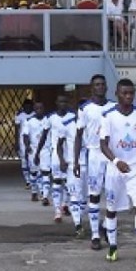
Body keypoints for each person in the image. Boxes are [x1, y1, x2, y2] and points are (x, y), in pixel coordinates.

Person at [99, 78, 136, 266]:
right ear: (117, 94)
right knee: (112, 209)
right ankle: (113, 247)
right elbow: (103, 144)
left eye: (131, 93)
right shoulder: (108, 116)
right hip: (115, 169)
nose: (129, 96)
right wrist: (116, 160)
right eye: (125, 93)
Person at [74, 74, 116, 250]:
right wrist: (75, 160)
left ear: (106, 87)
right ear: (92, 88)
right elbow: (78, 136)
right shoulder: (85, 109)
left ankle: (106, 225)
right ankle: (95, 235)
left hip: (111, 154)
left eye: (102, 84)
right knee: (94, 195)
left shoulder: (114, 107)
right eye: (96, 85)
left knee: (114, 195)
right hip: (94, 154)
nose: (100, 87)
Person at [41, 94, 75, 223]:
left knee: (68, 182)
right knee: (56, 181)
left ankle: (65, 204)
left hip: (70, 155)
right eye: (61, 102)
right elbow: (44, 135)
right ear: (56, 102)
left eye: (65, 102)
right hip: (56, 154)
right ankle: (57, 211)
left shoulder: (72, 117)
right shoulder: (51, 118)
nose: (63, 104)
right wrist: (39, 151)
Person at [58, 98, 86, 237]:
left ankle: (82, 219)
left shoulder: (94, 124)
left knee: (85, 198)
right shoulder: (67, 125)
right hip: (73, 166)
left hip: (89, 166)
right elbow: (59, 144)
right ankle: (78, 224)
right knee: (75, 194)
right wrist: (62, 160)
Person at [24, 101, 50, 204]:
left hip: (45, 149)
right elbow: (25, 135)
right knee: (34, 172)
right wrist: (27, 146)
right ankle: (34, 192)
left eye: (41, 108)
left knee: (45, 172)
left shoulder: (48, 120)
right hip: (33, 149)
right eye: (37, 108)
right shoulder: (29, 121)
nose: (39, 110)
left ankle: (45, 196)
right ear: (34, 110)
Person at [14, 99, 35, 185]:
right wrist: (16, 142)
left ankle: (32, 177)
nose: (28, 108)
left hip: (33, 140)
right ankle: (27, 180)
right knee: (24, 160)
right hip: (22, 140)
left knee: (32, 159)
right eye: (26, 106)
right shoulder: (20, 115)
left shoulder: (35, 114)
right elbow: (16, 129)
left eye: (29, 106)